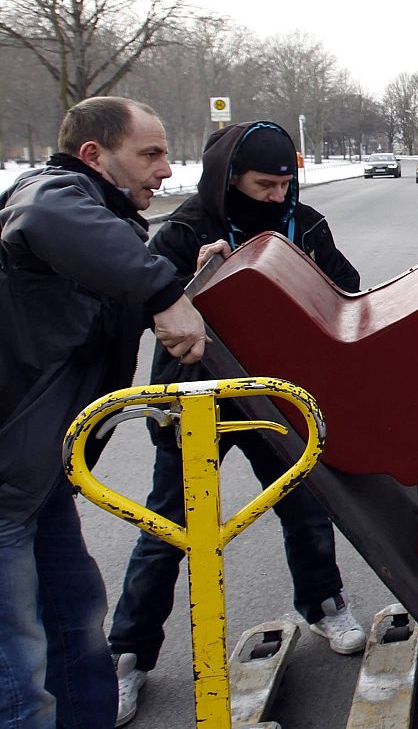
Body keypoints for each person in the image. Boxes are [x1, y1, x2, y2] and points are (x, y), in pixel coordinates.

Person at [110, 121, 367, 726]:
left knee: (306, 503)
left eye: (286, 184)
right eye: (264, 185)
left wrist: (306, 276)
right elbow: (147, 306)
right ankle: (128, 653)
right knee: (168, 522)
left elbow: (349, 291)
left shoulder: (305, 222)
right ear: (230, 180)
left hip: (274, 393)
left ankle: (323, 601)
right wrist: (199, 282)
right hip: (196, 396)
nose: (278, 197)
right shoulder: (184, 228)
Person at [1, 97, 210, 729]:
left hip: (38, 478)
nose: (166, 170)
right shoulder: (53, 192)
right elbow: (44, 217)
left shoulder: (109, 222)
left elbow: (101, 295)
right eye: (150, 154)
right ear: (94, 154)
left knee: (75, 628)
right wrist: (161, 292)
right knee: (18, 669)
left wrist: (184, 282)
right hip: (8, 481)